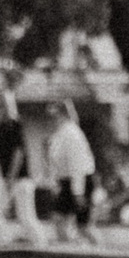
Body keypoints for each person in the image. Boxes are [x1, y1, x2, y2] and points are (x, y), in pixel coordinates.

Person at [0, 90, 43, 246]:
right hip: (4, 178)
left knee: (26, 217)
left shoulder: (14, 125)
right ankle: (4, 239)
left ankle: (41, 244)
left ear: (7, 107)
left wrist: (11, 177)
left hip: (20, 179)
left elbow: (19, 152)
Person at [45, 102, 100, 246]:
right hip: (66, 182)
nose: (51, 119)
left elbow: (77, 164)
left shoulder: (71, 133)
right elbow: (55, 163)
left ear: (63, 114)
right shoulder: (58, 134)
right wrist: (54, 184)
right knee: (58, 220)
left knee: (83, 227)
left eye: (54, 115)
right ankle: (68, 250)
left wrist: (78, 192)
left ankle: (101, 250)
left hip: (80, 181)